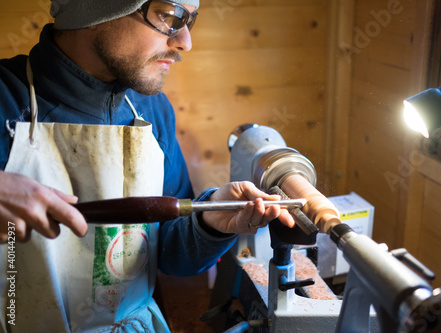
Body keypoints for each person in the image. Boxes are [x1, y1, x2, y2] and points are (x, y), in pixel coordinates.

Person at [0, 0, 295, 332]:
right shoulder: (6, 98)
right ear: (95, 10)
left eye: (190, 21)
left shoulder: (152, 111)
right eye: (168, 16)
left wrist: (210, 221)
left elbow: (167, 252)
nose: (185, 41)